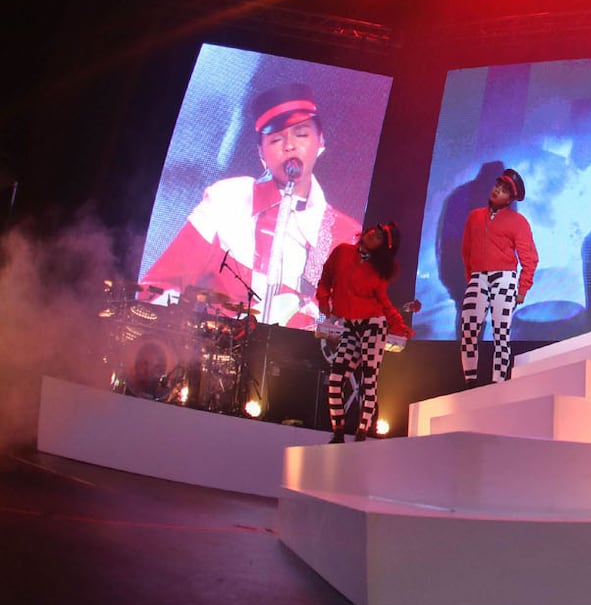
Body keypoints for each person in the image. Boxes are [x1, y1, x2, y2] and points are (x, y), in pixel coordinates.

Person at [139, 83, 362, 328]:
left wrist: (309, 320)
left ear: (320, 141)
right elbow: (156, 288)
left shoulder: (345, 234)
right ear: (261, 154)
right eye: (276, 139)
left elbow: (344, 323)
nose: (289, 145)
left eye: (301, 134)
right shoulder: (228, 199)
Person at [315, 221, 413, 442]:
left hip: (373, 325)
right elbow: (326, 277)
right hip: (350, 325)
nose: (372, 235)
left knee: (369, 378)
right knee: (335, 379)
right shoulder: (342, 251)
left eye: (379, 237)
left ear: (384, 247)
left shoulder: (378, 270)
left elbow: (383, 301)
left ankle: (361, 433)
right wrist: (323, 302)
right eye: (373, 231)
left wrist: (398, 323)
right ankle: (338, 431)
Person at [460, 168, 538, 386]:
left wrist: (522, 289)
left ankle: (498, 383)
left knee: (500, 332)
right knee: (468, 328)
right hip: (479, 276)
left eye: (504, 190)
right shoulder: (475, 217)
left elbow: (530, 257)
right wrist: (472, 278)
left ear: (511, 199)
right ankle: (470, 382)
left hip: (504, 277)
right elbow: (466, 251)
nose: (497, 191)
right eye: (498, 186)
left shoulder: (518, 221)